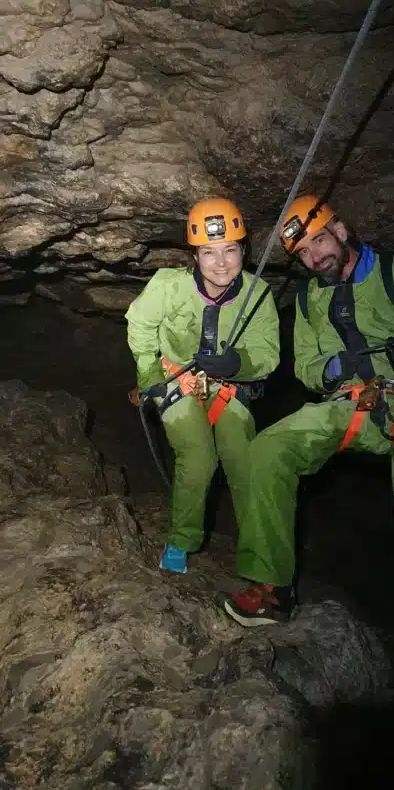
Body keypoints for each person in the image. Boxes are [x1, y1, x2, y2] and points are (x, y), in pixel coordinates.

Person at [219, 196, 394, 683]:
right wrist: (333, 368)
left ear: (340, 229)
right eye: (303, 254)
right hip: (354, 405)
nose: (314, 258)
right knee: (271, 445)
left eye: (318, 241)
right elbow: (308, 367)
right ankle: (272, 587)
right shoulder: (312, 298)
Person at [126, 197, 280, 575]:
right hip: (175, 379)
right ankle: (181, 542)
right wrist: (150, 380)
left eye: (230, 249)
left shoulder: (257, 294)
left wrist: (237, 363)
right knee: (198, 459)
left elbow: (268, 352)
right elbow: (141, 328)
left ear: (244, 249)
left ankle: (258, 558)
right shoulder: (167, 286)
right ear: (194, 256)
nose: (222, 262)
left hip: (229, 387)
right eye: (209, 252)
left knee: (247, 462)